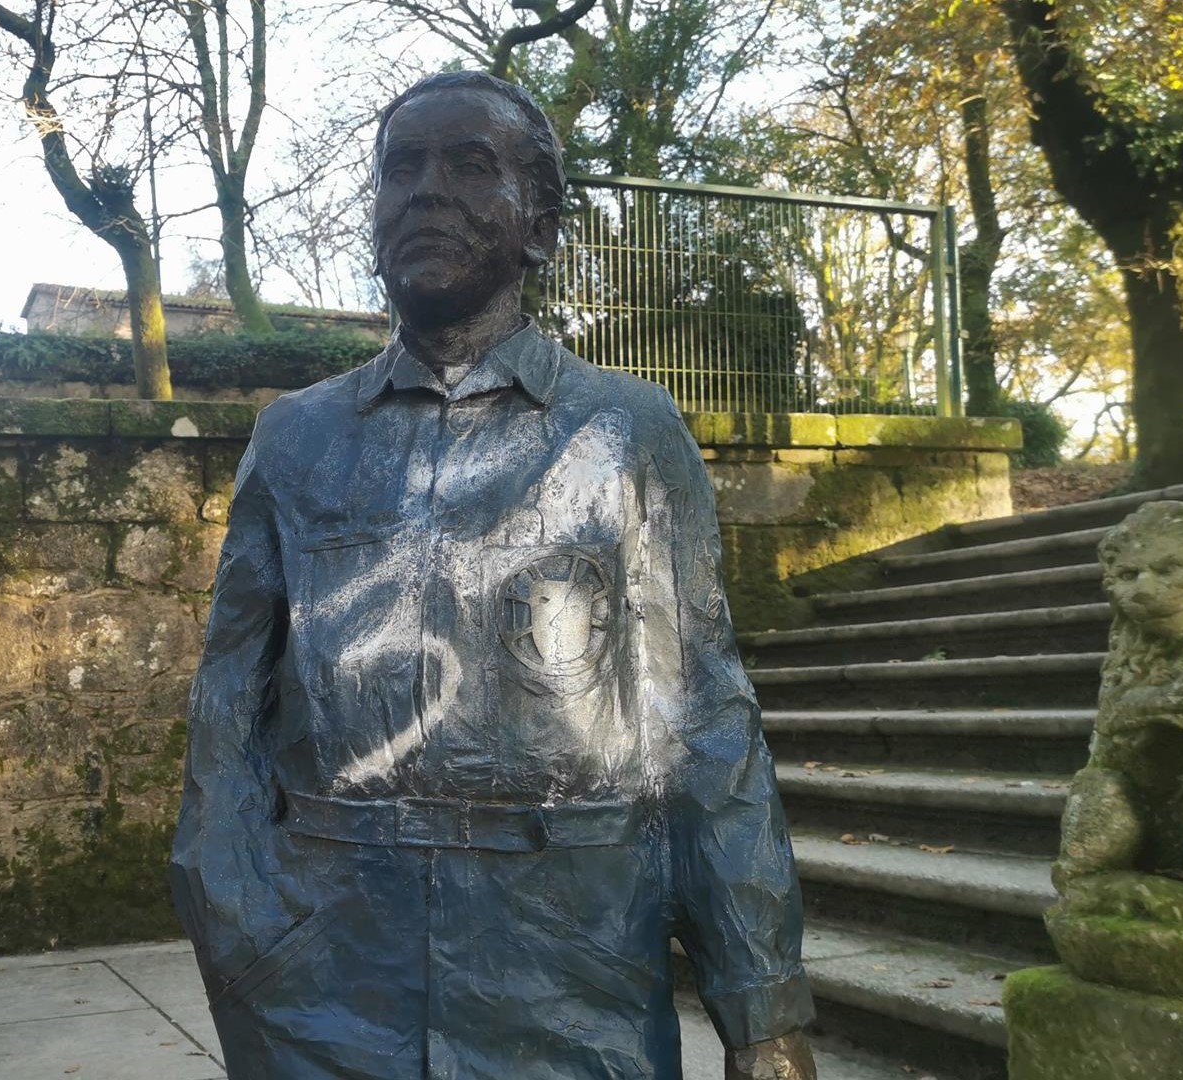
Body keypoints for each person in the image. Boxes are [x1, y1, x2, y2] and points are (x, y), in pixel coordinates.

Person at [169, 69, 817, 1080]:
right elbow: (228, 713)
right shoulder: (292, 439)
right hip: (327, 987)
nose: (425, 192)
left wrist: (761, 1006)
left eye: (471, 167)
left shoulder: (628, 431)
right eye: (402, 168)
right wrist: (246, 935)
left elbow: (702, 722)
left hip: (571, 985)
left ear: (542, 228)